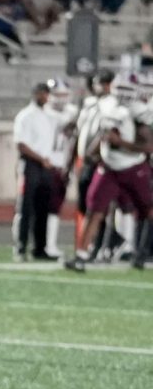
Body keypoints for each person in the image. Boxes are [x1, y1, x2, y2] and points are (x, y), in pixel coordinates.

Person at [66, 74, 153, 271]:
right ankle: (81, 254)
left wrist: (120, 142)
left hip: (134, 167)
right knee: (94, 210)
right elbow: (105, 134)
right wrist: (92, 154)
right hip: (109, 168)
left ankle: (141, 252)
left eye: (126, 90)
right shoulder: (107, 107)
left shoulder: (139, 112)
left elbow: (149, 146)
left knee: (147, 210)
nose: (122, 95)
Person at [12, 82, 57, 262]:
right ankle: (20, 247)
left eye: (47, 94)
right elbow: (21, 144)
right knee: (26, 207)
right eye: (43, 93)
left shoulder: (48, 115)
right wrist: (41, 159)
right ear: (36, 94)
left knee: (43, 208)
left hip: (45, 166)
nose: (45, 97)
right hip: (31, 164)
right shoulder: (25, 116)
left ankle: (40, 247)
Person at [74, 69, 114, 252]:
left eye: (98, 83)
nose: (94, 87)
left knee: (97, 204)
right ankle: (97, 242)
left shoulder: (112, 105)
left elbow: (107, 132)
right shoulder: (90, 104)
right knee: (85, 203)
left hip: (100, 160)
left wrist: (96, 154)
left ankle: (101, 244)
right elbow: (80, 131)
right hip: (86, 160)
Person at [43, 78, 78, 259]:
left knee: (56, 206)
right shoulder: (44, 112)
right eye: (57, 95)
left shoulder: (72, 112)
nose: (61, 99)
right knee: (35, 205)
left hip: (62, 164)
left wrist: (69, 167)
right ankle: (31, 243)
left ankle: (50, 244)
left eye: (64, 95)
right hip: (45, 163)